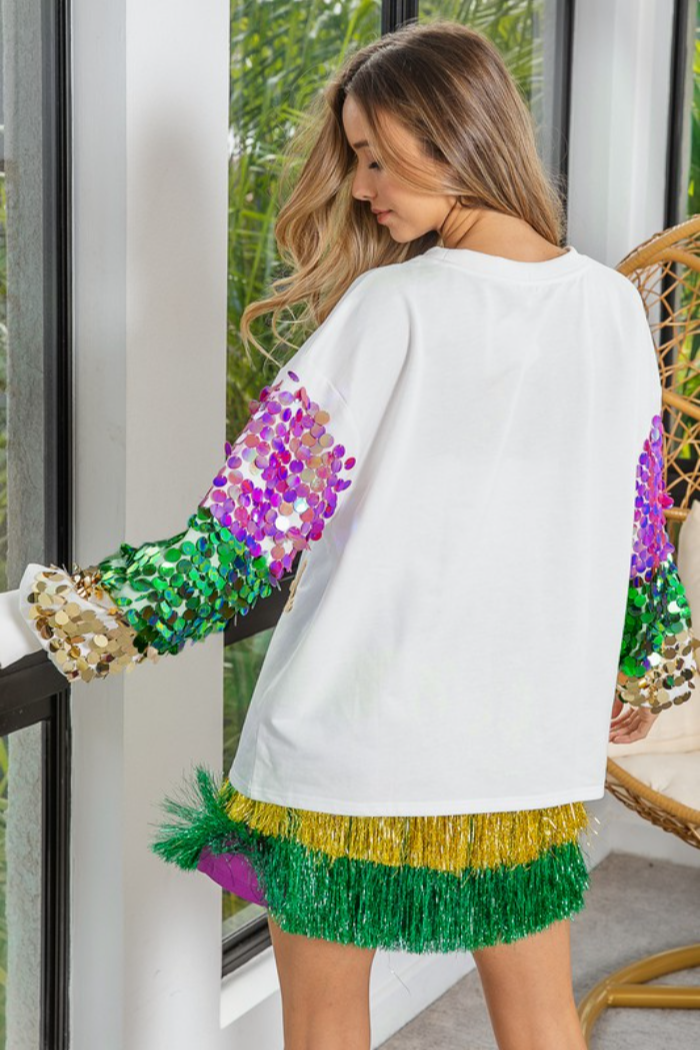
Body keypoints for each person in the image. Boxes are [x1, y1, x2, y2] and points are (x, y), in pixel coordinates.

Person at [0, 18, 697, 1050]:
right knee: (543, 1024)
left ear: (452, 133)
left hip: (349, 751)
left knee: (324, 1029)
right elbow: (640, 531)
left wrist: (58, 617)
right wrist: (648, 664)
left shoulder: (392, 309)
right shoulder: (611, 307)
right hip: (521, 754)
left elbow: (238, 543)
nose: (363, 187)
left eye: (375, 157)